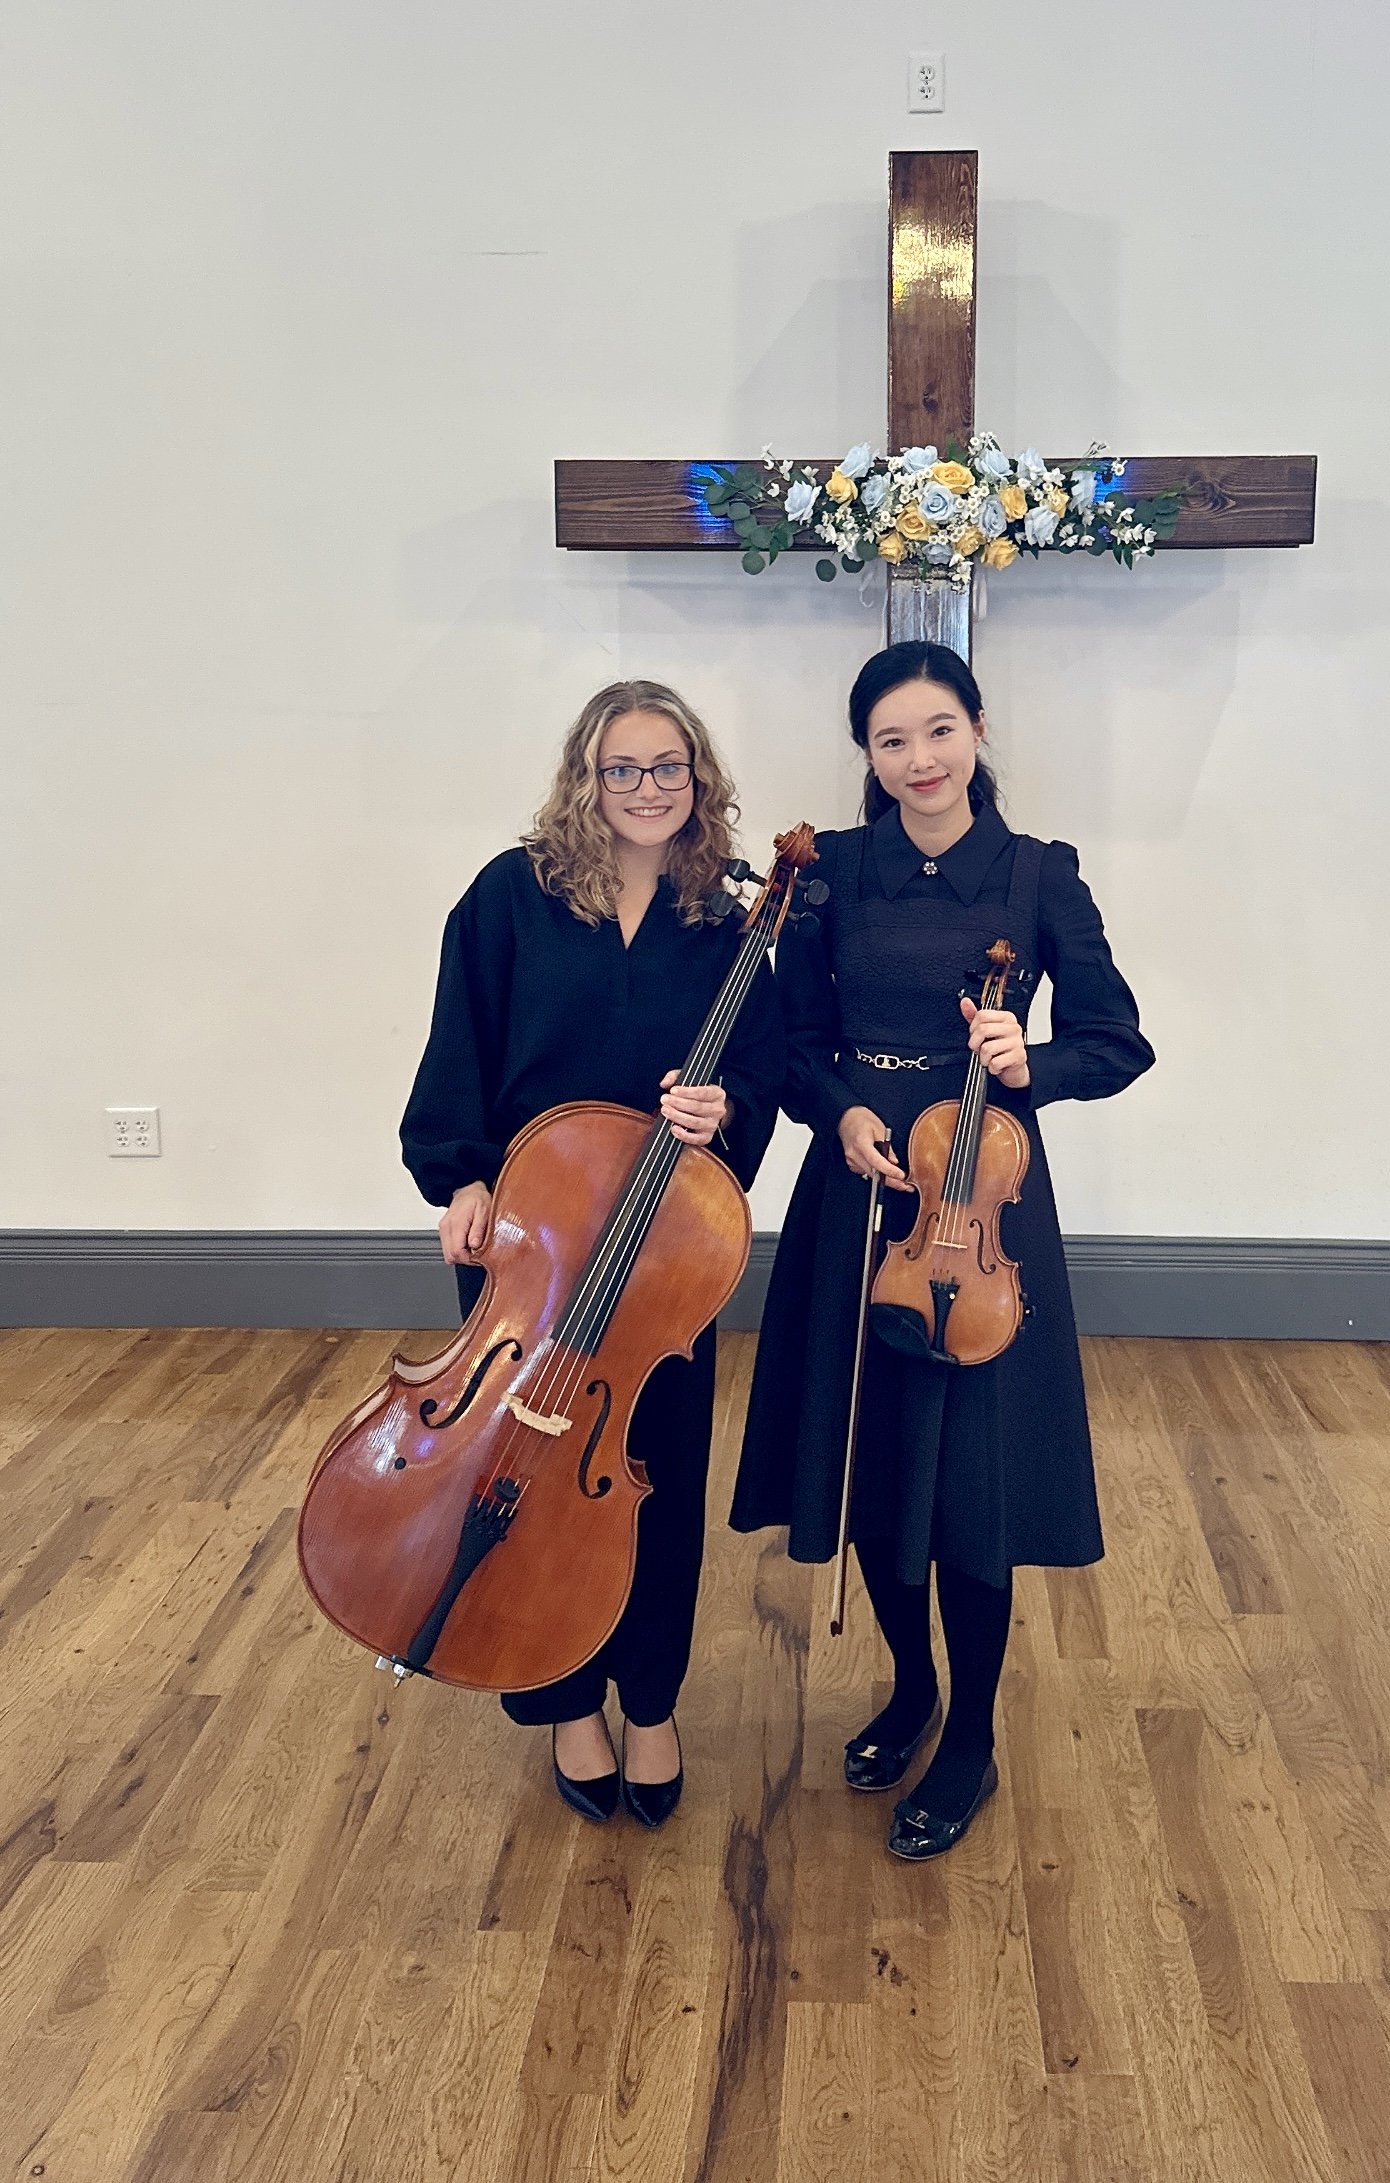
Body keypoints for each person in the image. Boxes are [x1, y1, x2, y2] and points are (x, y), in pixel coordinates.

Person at [731, 642, 1154, 1860]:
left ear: (977, 729)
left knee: (968, 1480)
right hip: (861, 1196)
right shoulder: (832, 873)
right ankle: (909, 1687)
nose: (918, 760)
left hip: (984, 1205)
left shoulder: (1036, 876)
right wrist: (839, 1110)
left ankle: (969, 1726)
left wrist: (1035, 1065)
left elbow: (1119, 1041)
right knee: (870, 1462)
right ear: (867, 755)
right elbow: (795, 1035)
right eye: (891, 741)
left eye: (938, 731)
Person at [401, 680, 784, 1827]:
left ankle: (652, 1701)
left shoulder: (725, 915)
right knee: (519, 1480)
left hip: (661, 1257)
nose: (648, 788)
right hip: (528, 1240)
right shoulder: (508, 897)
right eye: (624, 768)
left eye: (669, 767)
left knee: (648, 1483)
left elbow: (760, 1072)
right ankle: (566, 1698)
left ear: (698, 780)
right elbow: (457, 1041)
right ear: (586, 776)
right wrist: (457, 1174)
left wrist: (726, 1111)